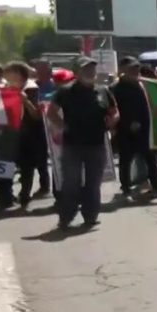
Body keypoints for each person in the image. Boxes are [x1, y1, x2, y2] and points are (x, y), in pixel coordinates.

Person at [47, 57, 117, 229]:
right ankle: (66, 217)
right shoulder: (66, 91)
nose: (90, 72)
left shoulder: (103, 90)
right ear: (77, 72)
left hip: (96, 143)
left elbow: (114, 111)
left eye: (92, 69)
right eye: (86, 69)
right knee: (71, 183)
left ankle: (90, 216)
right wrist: (62, 126)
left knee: (94, 183)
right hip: (73, 145)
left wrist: (112, 121)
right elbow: (51, 112)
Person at [111, 56, 157, 199]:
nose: (135, 70)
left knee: (152, 160)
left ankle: (156, 188)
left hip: (146, 131)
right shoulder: (115, 89)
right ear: (123, 69)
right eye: (132, 68)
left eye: (137, 67)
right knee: (125, 162)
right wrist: (127, 123)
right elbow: (113, 110)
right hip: (125, 132)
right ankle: (126, 191)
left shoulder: (144, 85)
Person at [3, 61, 51, 210]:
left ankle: (26, 194)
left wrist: (24, 100)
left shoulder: (31, 89)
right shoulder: (7, 89)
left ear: (18, 73)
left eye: (9, 73)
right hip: (14, 133)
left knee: (28, 165)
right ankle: (10, 194)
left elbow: (36, 115)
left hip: (32, 133)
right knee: (18, 165)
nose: (6, 76)